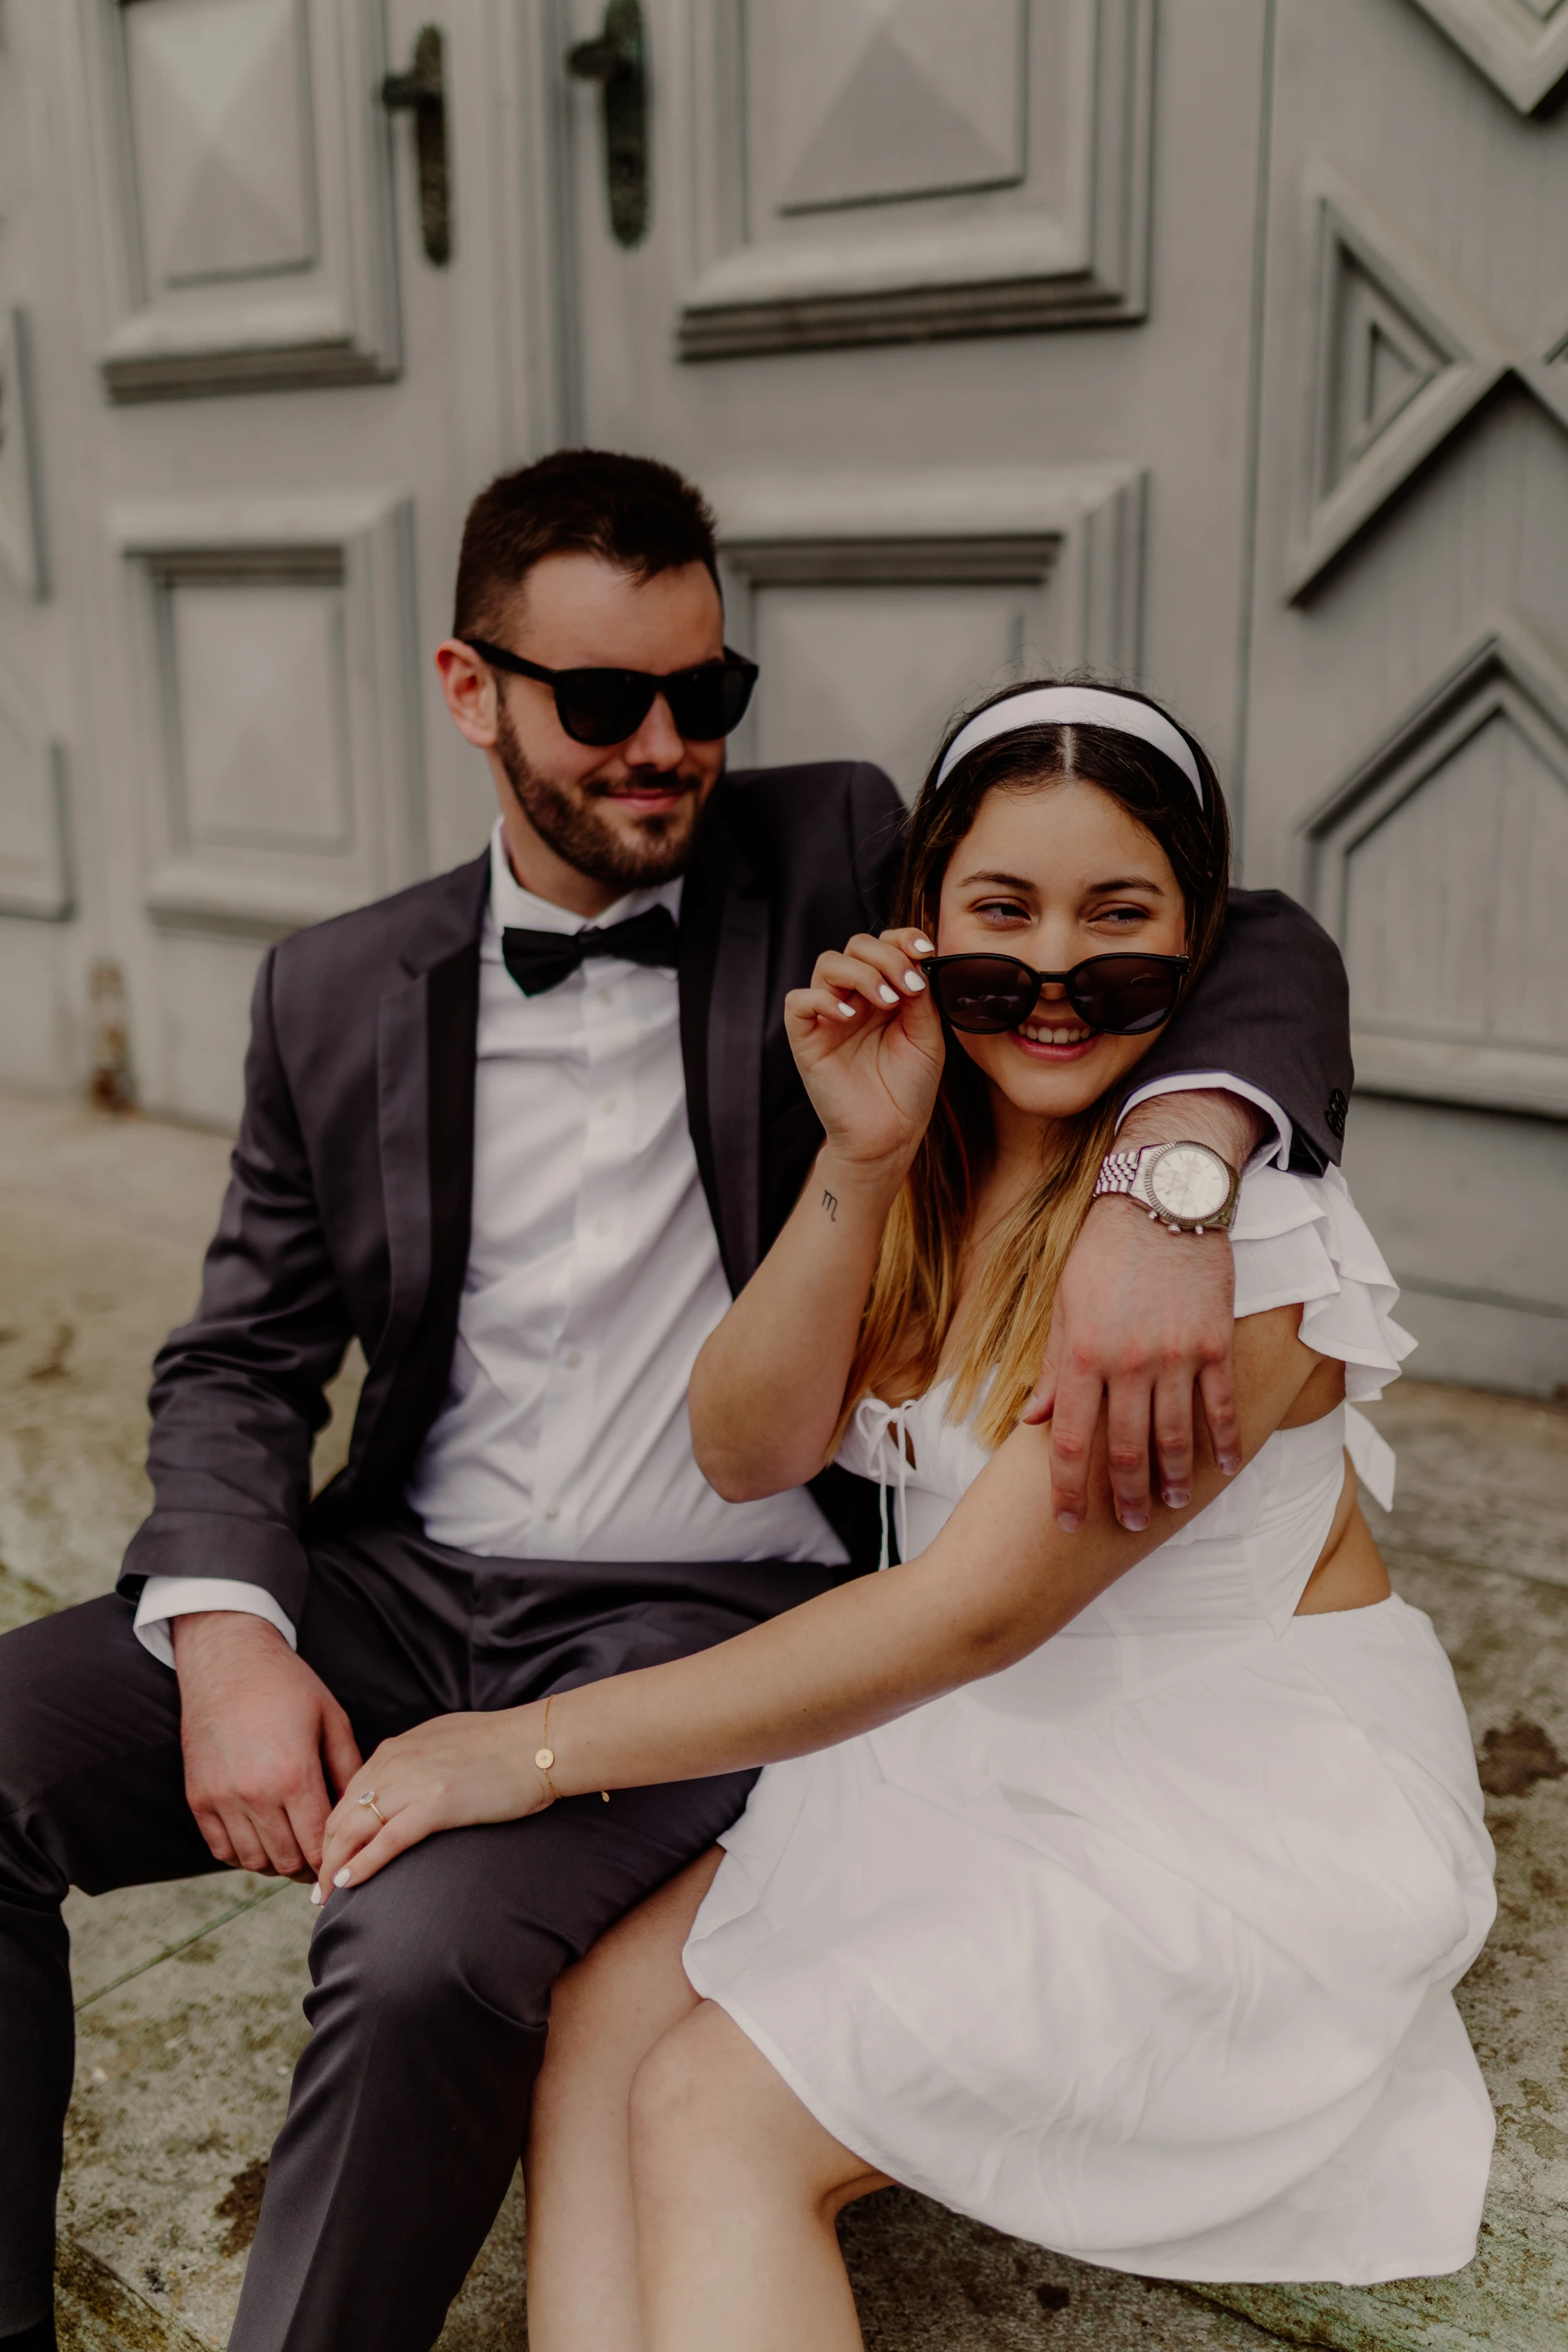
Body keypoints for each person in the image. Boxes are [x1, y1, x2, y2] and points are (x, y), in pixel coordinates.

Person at [0, 453, 1352, 2352]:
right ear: (470, 690)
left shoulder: (837, 847)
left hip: (708, 1602)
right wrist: (227, 1628)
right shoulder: (329, 987)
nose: (664, 748)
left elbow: (1240, 929)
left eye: (704, 697)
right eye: (604, 702)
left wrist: (1176, 1165)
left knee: (422, 1952)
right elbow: (238, 1354)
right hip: (395, 1578)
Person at [313, 681, 1495, 2352]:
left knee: (713, 2106)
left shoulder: (1237, 1239)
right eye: (1000, 912)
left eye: (1120, 919)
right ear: (922, 922)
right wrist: (860, 1156)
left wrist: (526, 1746)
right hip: (962, 1751)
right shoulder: (932, 1152)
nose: (1058, 975)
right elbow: (745, 1442)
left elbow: (970, 1612)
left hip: (1214, 1787)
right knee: (596, 2029)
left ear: (1201, 937)